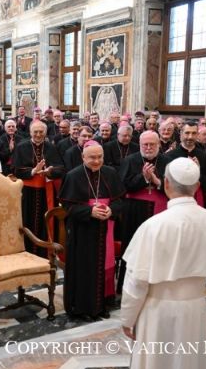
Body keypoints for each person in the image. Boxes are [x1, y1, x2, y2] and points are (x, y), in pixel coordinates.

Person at [120, 158, 206, 369]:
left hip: (157, 311)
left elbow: (136, 282)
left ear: (166, 183)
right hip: (194, 309)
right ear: (197, 186)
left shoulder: (153, 226)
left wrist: (127, 318)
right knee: (187, 367)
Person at [59, 141, 125, 321]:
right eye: (92, 158)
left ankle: (101, 305)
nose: (96, 161)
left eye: (100, 157)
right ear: (83, 157)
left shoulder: (110, 173)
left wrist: (111, 210)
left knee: (104, 266)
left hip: (106, 229)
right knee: (84, 268)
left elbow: (120, 200)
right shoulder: (73, 176)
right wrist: (89, 211)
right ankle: (82, 308)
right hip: (82, 231)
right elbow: (67, 206)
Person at [118, 131, 169, 293]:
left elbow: (174, 187)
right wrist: (144, 178)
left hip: (160, 211)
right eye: (145, 144)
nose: (148, 148)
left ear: (158, 144)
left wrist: (156, 181)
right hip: (134, 211)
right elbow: (122, 187)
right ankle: (128, 286)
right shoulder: (129, 160)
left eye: (152, 144)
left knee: (159, 248)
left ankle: (157, 287)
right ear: (139, 145)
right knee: (133, 247)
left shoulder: (167, 161)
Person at [12, 121, 65, 256]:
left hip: (46, 192)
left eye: (41, 132)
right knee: (26, 221)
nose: (38, 134)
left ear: (45, 133)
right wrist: (33, 171)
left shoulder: (51, 147)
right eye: (35, 132)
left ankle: (44, 254)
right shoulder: (21, 147)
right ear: (30, 132)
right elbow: (15, 170)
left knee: (45, 222)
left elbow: (61, 169)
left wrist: (50, 171)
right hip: (26, 193)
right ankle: (25, 252)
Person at [164, 121, 206, 207]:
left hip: (198, 201)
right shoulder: (169, 156)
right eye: (187, 133)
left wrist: (198, 171)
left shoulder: (205, 156)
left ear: (197, 135)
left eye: (193, 133)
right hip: (175, 201)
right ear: (181, 134)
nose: (190, 137)